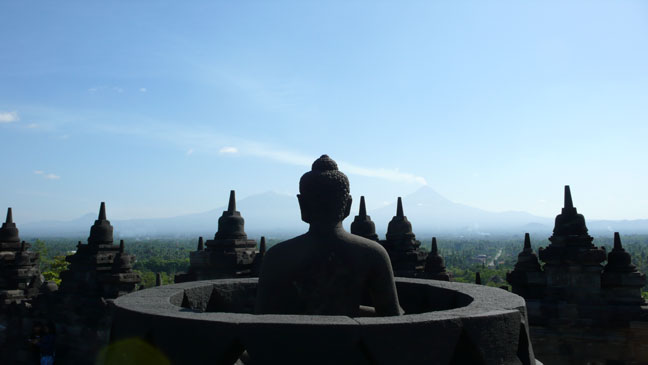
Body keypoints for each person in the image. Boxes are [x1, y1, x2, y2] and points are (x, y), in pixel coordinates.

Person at [255, 155, 401, 317]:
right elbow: (392, 317)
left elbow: (262, 319)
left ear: (302, 205)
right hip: (352, 341)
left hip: (294, 341)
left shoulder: (277, 256)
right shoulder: (373, 253)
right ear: (347, 206)